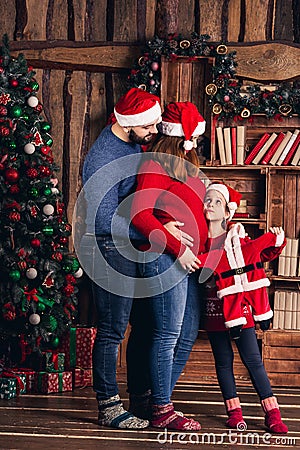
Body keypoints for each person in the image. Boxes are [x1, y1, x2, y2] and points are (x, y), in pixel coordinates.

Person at [80, 87, 165, 429]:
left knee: (144, 323)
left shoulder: (134, 142)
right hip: (108, 247)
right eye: (149, 126)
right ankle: (109, 406)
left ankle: (141, 400)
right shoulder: (102, 157)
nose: (154, 132)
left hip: (132, 246)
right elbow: (103, 219)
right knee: (112, 329)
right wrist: (153, 232)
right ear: (130, 123)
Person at [129, 101, 208, 431]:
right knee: (167, 334)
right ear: (183, 138)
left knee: (186, 334)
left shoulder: (186, 166)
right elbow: (140, 213)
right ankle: (162, 409)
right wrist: (178, 247)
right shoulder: (155, 164)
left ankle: (155, 400)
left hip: (190, 264)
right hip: (165, 258)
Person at [198, 182, 288, 434]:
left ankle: (272, 413)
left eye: (217, 201)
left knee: (252, 360)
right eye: (208, 200)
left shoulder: (238, 239)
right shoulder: (198, 240)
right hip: (214, 309)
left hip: (240, 308)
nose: (210, 204)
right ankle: (234, 413)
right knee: (223, 361)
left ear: (228, 212)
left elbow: (260, 255)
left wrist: (277, 240)